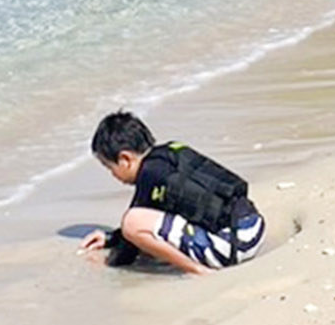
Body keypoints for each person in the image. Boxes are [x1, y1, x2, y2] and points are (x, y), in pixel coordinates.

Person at [77, 110, 264, 275]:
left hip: (234, 247)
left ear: (125, 159)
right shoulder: (170, 154)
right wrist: (110, 238)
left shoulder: (149, 175)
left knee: (132, 222)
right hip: (253, 227)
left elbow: (130, 239)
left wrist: (109, 263)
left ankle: (198, 271)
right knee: (145, 225)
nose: (113, 175)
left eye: (109, 167)